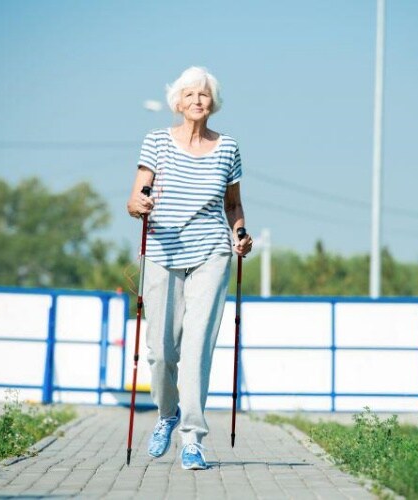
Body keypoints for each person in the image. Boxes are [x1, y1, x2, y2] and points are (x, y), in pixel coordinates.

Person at [127, 66, 252, 470]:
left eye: (204, 94)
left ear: (212, 103)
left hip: (212, 252)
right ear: (177, 102)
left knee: (198, 347)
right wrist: (138, 205)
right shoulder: (157, 142)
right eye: (190, 94)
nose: (198, 100)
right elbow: (136, 196)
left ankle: (193, 438)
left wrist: (240, 234)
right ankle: (168, 413)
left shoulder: (228, 147)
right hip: (163, 250)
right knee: (162, 353)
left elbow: (232, 204)